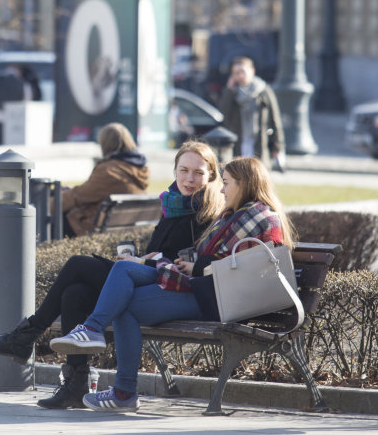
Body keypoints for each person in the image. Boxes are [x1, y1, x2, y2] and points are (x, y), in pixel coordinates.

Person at [0, 140, 224, 409]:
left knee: (77, 265)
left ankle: (26, 336)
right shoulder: (173, 203)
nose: (189, 178)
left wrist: (146, 261)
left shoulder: (206, 210)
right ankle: (75, 383)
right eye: (184, 170)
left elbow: (184, 261)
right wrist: (141, 259)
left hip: (166, 285)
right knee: (75, 294)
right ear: (175, 170)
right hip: (147, 274)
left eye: (198, 173)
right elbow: (156, 252)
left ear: (211, 175)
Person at [49, 156, 294, 412]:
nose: (222, 189)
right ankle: (94, 335)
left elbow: (250, 264)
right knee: (123, 268)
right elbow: (218, 259)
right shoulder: (235, 216)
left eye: (227, 182)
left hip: (217, 299)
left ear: (245, 184)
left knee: (125, 303)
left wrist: (197, 266)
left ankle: (120, 386)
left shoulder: (263, 218)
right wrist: (187, 263)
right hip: (203, 288)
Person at [60, 123, 151, 237]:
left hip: (91, 228)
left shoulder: (110, 170)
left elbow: (79, 196)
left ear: (105, 144)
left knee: (56, 219)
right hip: (122, 227)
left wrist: (46, 205)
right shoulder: (140, 169)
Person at [217, 57, 284, 168]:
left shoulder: (263, 90)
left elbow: (275, 119)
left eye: (242, 72)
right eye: (236, 73)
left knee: (259, 176)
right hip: (240, 141)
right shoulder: (233, 92)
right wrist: (229, 90)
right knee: (240, 175)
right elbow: (223, 113)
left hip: (259, 140)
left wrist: (278, 146)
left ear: (252, 71)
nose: (240, 76)